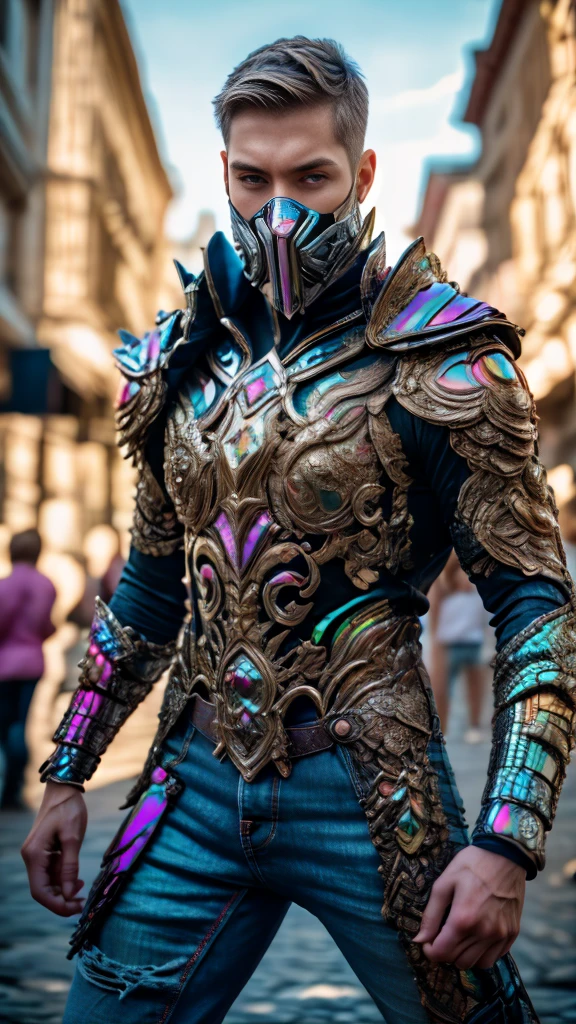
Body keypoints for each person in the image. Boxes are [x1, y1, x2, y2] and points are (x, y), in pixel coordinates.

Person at [21, 37, 575, 1024]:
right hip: (188, 783)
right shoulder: (179, 361)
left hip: (369, 784)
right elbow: (149, 590)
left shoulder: (445, 358)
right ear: (224, 171)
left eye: (312, 177)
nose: (280, 210)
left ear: (363, 173)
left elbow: (535, 600)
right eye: (253, 177)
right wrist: (67, 768)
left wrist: (505, 838)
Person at [0, 529, 56, 809]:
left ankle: (8, 786)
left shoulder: (5, 585)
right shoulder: (46, 585)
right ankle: (15, 785)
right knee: (21, 723)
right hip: (33, 661)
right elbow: (45, 627)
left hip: (4, 664)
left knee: (6, 725)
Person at [428, 551, 491, 742]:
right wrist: (435, 642)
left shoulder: (479, 581)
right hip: (448, 642)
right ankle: (442, 730)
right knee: (442, 691)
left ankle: (474, 725)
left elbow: (485, 614)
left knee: (475, 688)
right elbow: (434, 613)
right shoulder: (442, 585)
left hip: (473, 640)